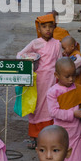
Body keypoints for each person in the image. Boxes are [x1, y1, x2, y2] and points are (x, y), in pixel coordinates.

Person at [17, 13, 62, 149]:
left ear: (54, 28)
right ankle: (34, 137)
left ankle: (48, 136)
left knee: (50, 106)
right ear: (39, 28)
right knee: (36, 107)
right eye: (44, 27)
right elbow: (19, 55)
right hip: (38, 82)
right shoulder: (35, 43)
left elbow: (59, 62)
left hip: (53, 81)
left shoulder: (57, 44)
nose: (47, 29)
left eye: (50, 26)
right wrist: (30, 58)